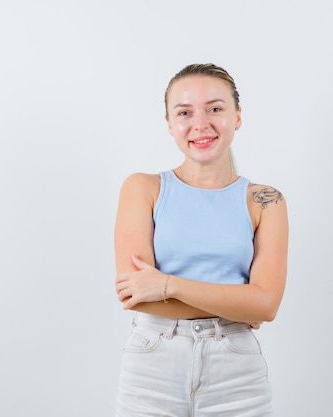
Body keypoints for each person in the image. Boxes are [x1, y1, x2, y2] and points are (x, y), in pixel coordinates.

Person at [113, 63, 288, 417]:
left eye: (215, 109)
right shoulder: (143, 188)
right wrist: (239, 302)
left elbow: (266, 306)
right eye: (184, 112)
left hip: (237, 373)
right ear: (169, 124)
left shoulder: (265, 200)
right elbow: (137, 296)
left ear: (237, 116)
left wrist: (165, 284)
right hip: (152, 367)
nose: (200, 123)